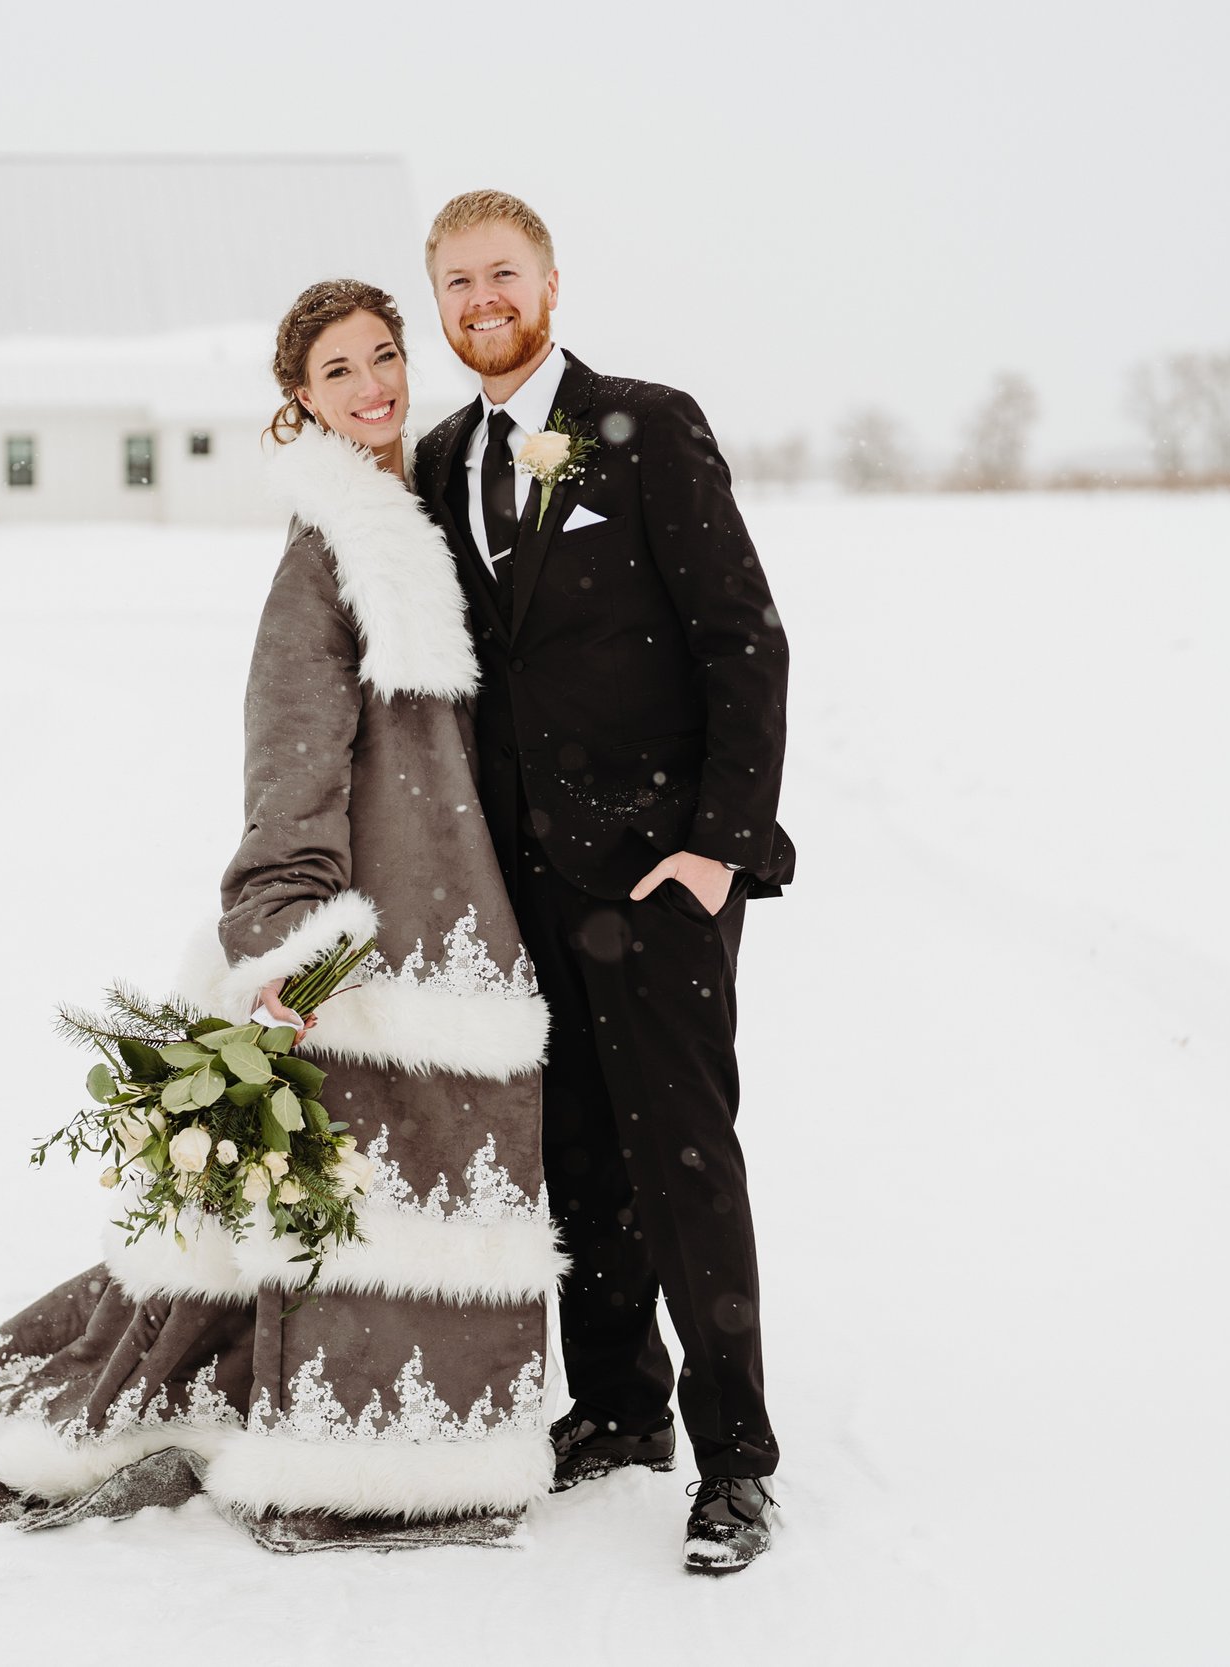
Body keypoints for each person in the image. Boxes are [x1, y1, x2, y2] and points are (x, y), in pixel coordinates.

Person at [0, 279, 562, 1554]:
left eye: (383, 356)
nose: (371, 384)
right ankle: (348, 1457)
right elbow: (287, 757)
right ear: (299, 401)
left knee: (446, 1189)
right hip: (370, 934)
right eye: (336, 371)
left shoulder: (426, 517)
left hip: (469, 925)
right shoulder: (329, 551)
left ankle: (427, 1446)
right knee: (358, 1208)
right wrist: (288, 932)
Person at [411, 191, 795, 1574]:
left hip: (658, 875)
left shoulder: (646, 421)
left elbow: (746, 641)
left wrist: (719, 846)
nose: (480, 300)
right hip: (522, 886)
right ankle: (623, 1405)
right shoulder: (445, 454)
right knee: (574, 1154)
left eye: (501, 273)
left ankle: (736, 1460)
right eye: (455, 282)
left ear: (551, 280)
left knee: (684, 1161)